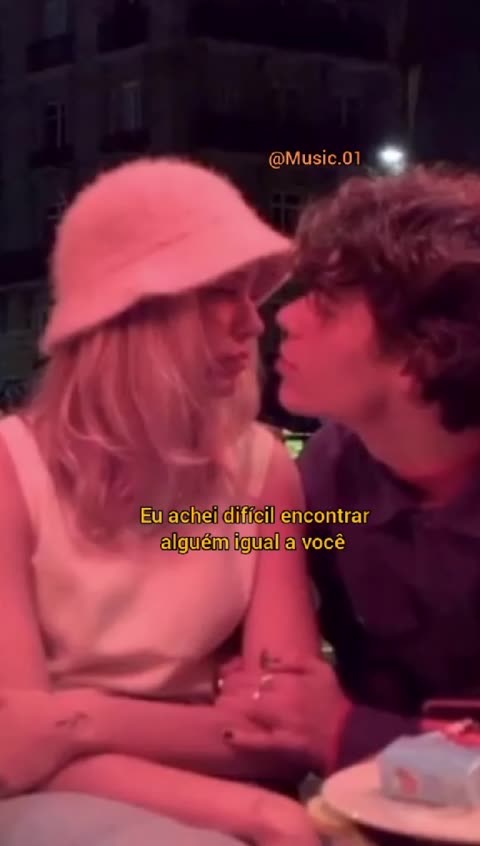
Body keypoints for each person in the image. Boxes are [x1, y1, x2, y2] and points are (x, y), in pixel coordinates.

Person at [0, 157, 320, 845]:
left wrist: (79, 720)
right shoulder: (9, 469)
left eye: (252, 294)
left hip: (194, 789)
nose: (254, 323)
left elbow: (287, 731)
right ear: (131, 312)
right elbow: (12, 754)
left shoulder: (265, 470)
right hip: (60, 803)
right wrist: (257, 812)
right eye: (223, 292)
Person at [220, 164, 480, 780]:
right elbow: (219, 537)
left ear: (425, 350)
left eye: (329, 306)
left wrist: (345, 732)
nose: (285, 317)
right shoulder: (334, 470)